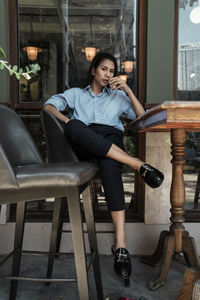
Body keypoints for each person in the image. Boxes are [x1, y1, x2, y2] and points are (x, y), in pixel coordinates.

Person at [43, 52, 164, 286]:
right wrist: (68, 122)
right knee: (76, 127)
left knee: (110, 165)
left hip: (111, 141)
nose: (108, 74)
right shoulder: (77, 95)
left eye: (111, 70)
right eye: (103, 69)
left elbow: (143, 119)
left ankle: (121, 244)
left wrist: (128, 91)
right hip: (85, 142)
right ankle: (138, 164)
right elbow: (49, 107)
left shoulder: (118, 96)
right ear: (93, 71)